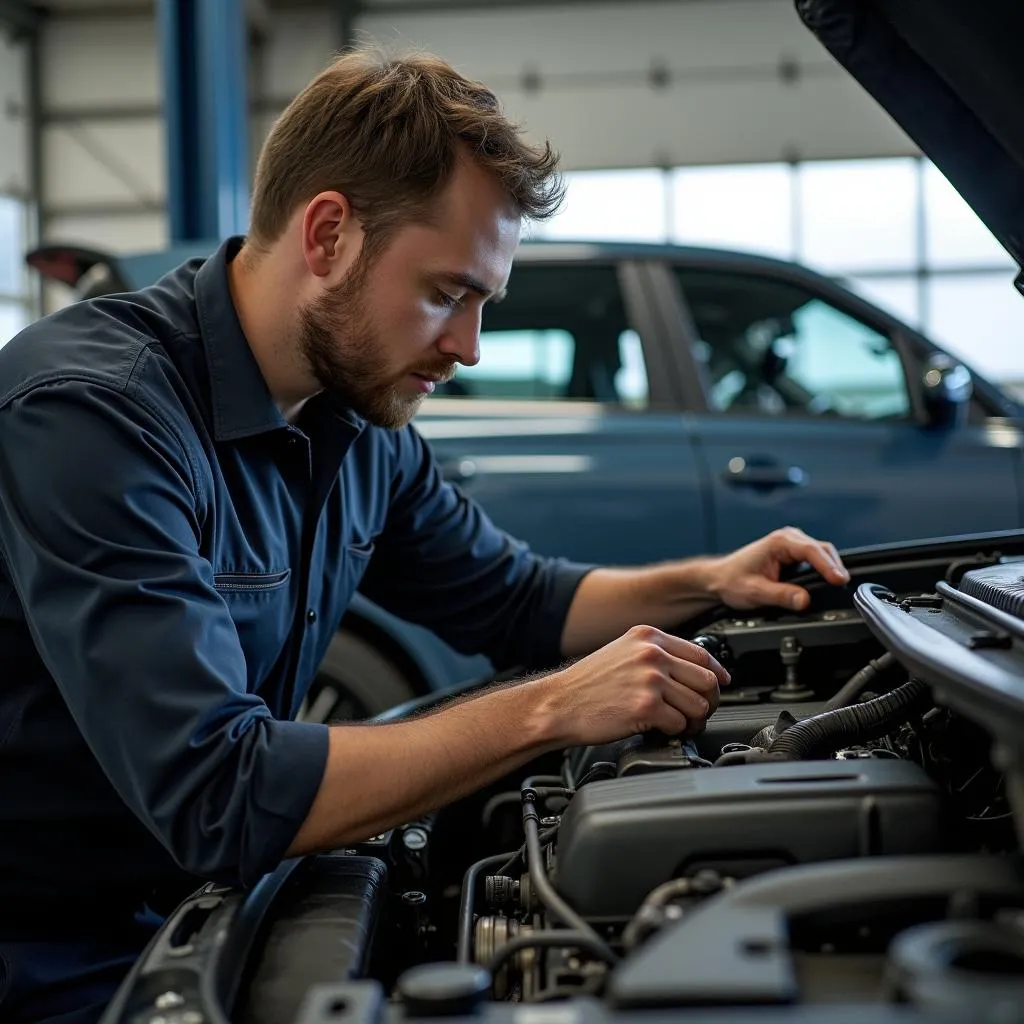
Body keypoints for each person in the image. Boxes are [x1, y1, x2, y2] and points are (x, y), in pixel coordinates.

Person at [0, 47, 850, 1023]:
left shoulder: (352, 421)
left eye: (482, 302)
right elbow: (219, 791)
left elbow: (520, 599)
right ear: (327, 234)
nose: (468, 346)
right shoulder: (92, 417)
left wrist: (712, 580)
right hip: (48, 951)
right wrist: (549, 709)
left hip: (196, 907)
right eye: (448, 292)